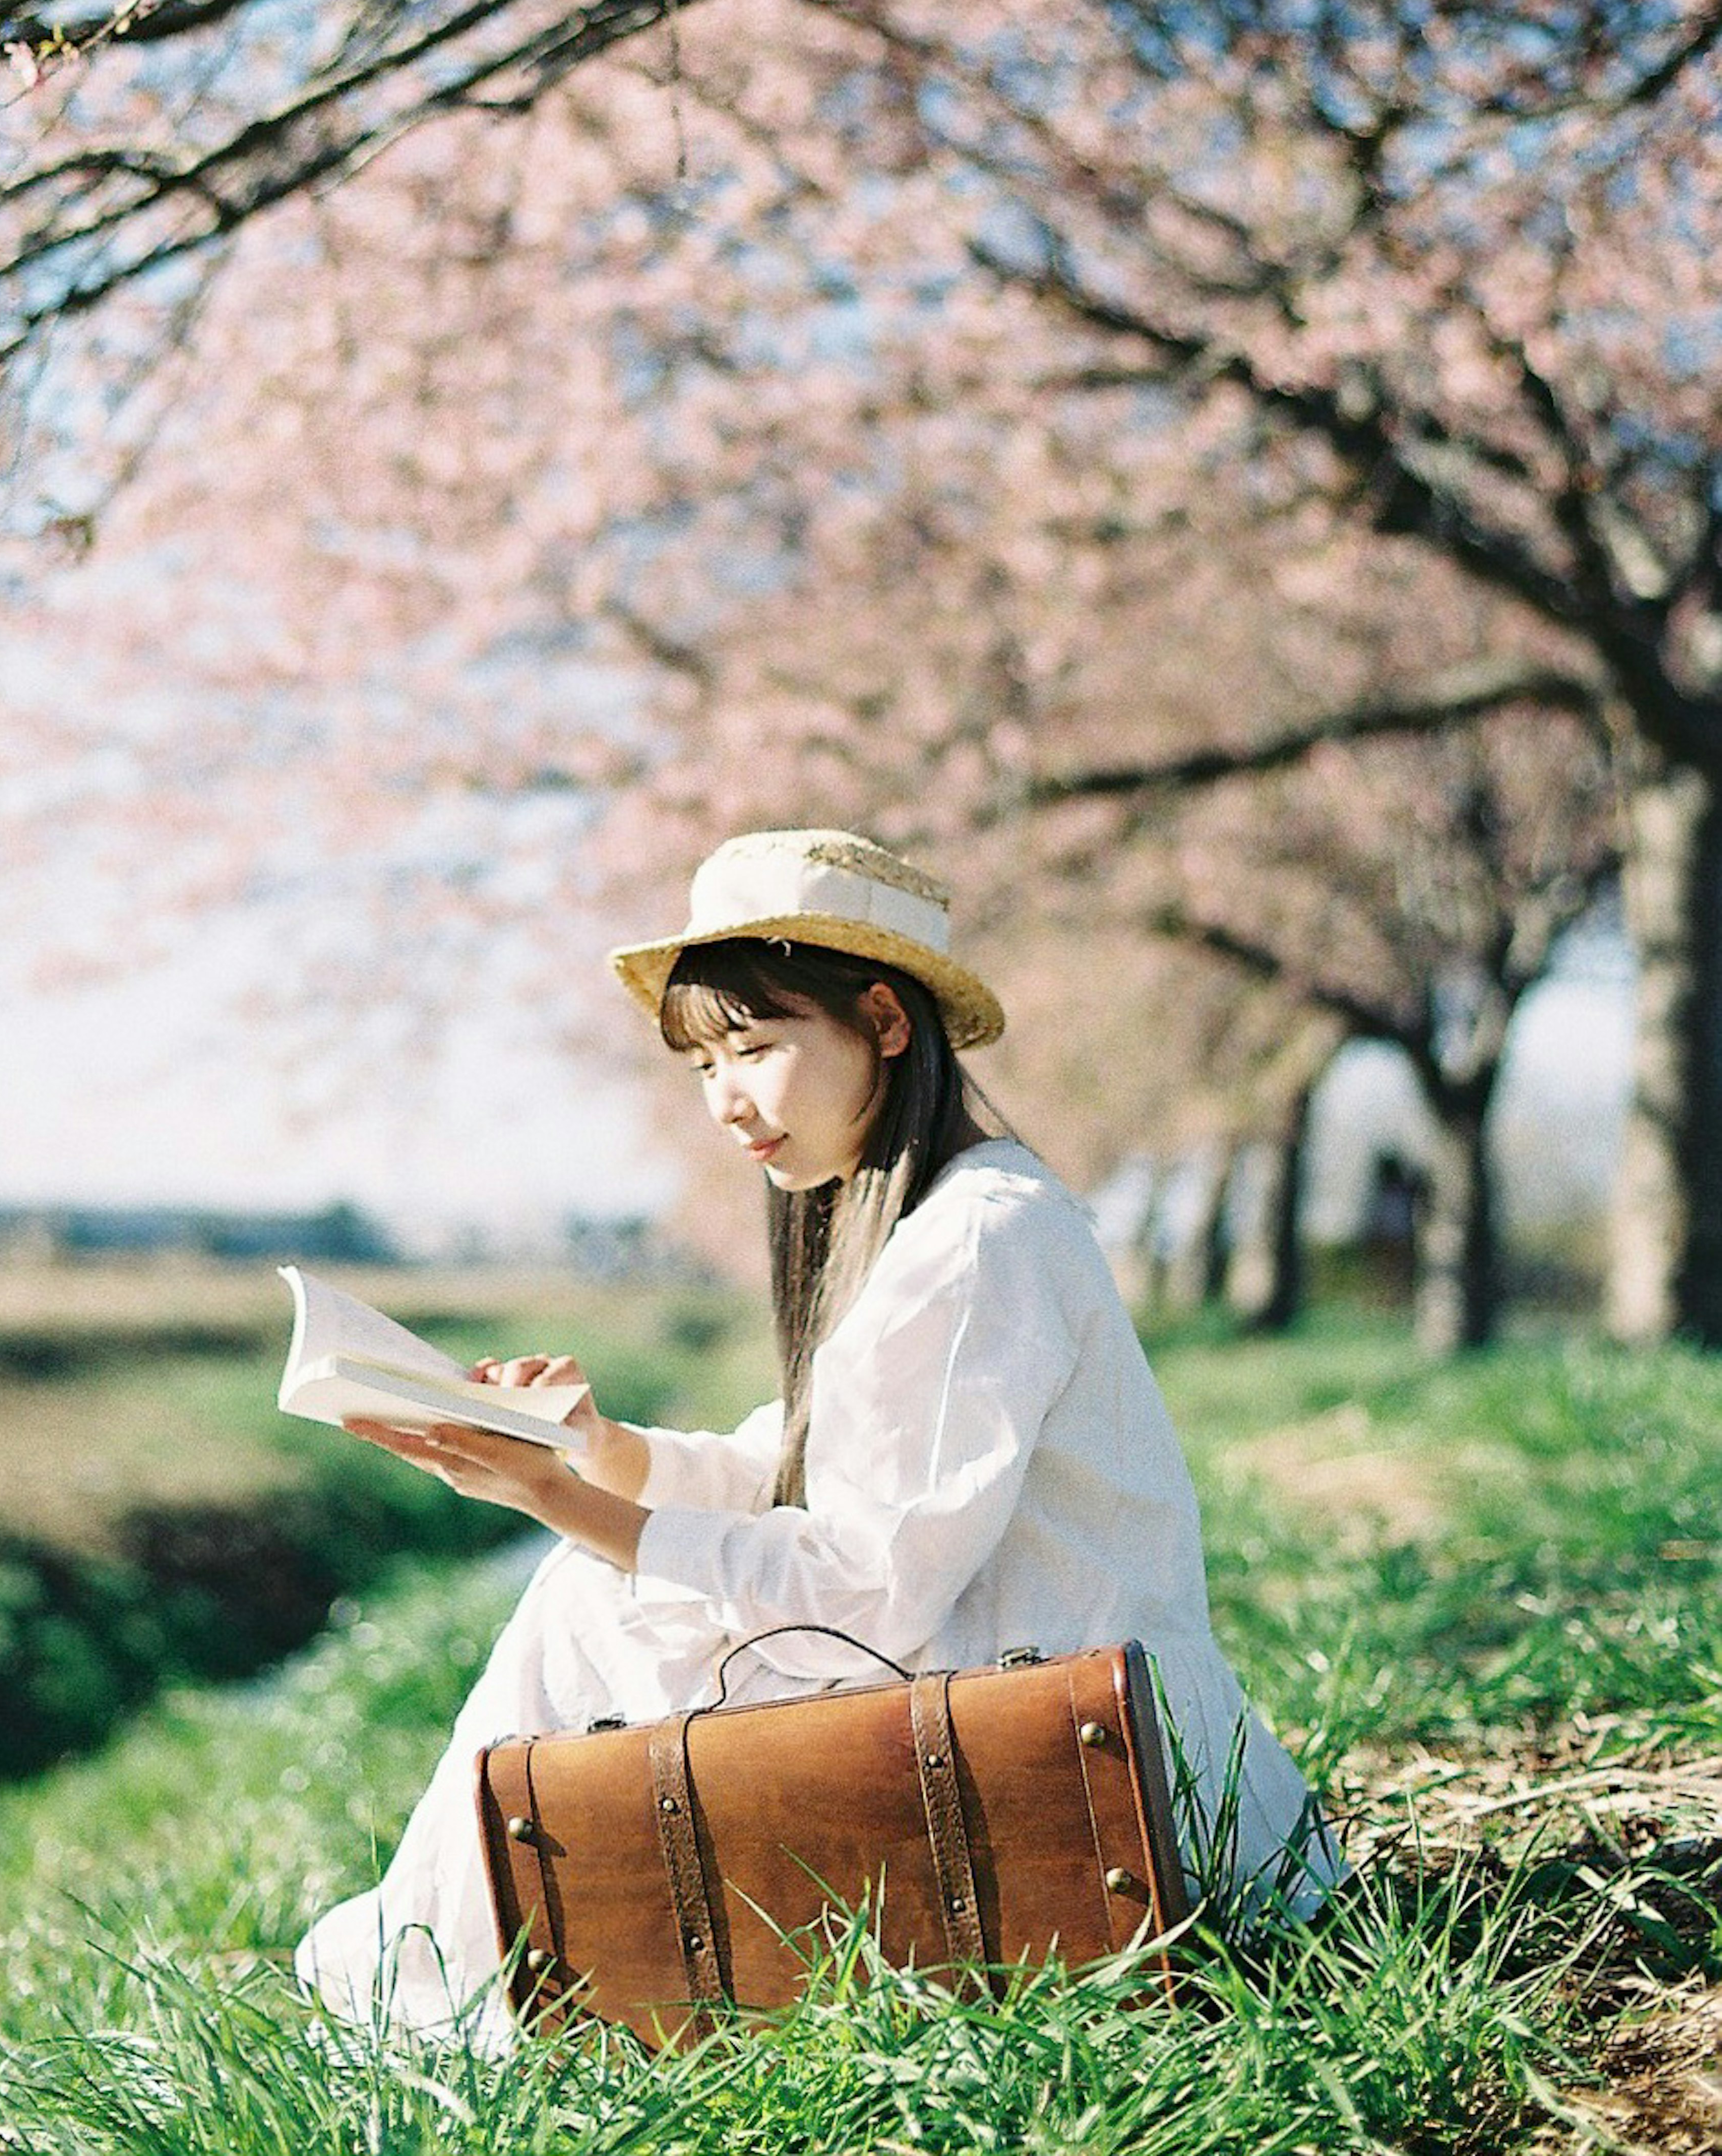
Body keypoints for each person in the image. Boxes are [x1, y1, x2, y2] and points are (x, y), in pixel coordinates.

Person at [295, 827, 1342, 2039]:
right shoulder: (938, 1220)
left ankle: (465, 1988)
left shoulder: (977, 1242)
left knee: (588, 1600)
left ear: (887, 1024)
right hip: (1026, 1687)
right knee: (602, 1588)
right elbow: (795, 1461)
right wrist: (597, 1445)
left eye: (757, 1046)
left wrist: (560, 1505)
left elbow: (868, 1585)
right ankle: (499, 1969)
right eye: (701, 1063)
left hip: (1084, 1758)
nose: (727, 1100)